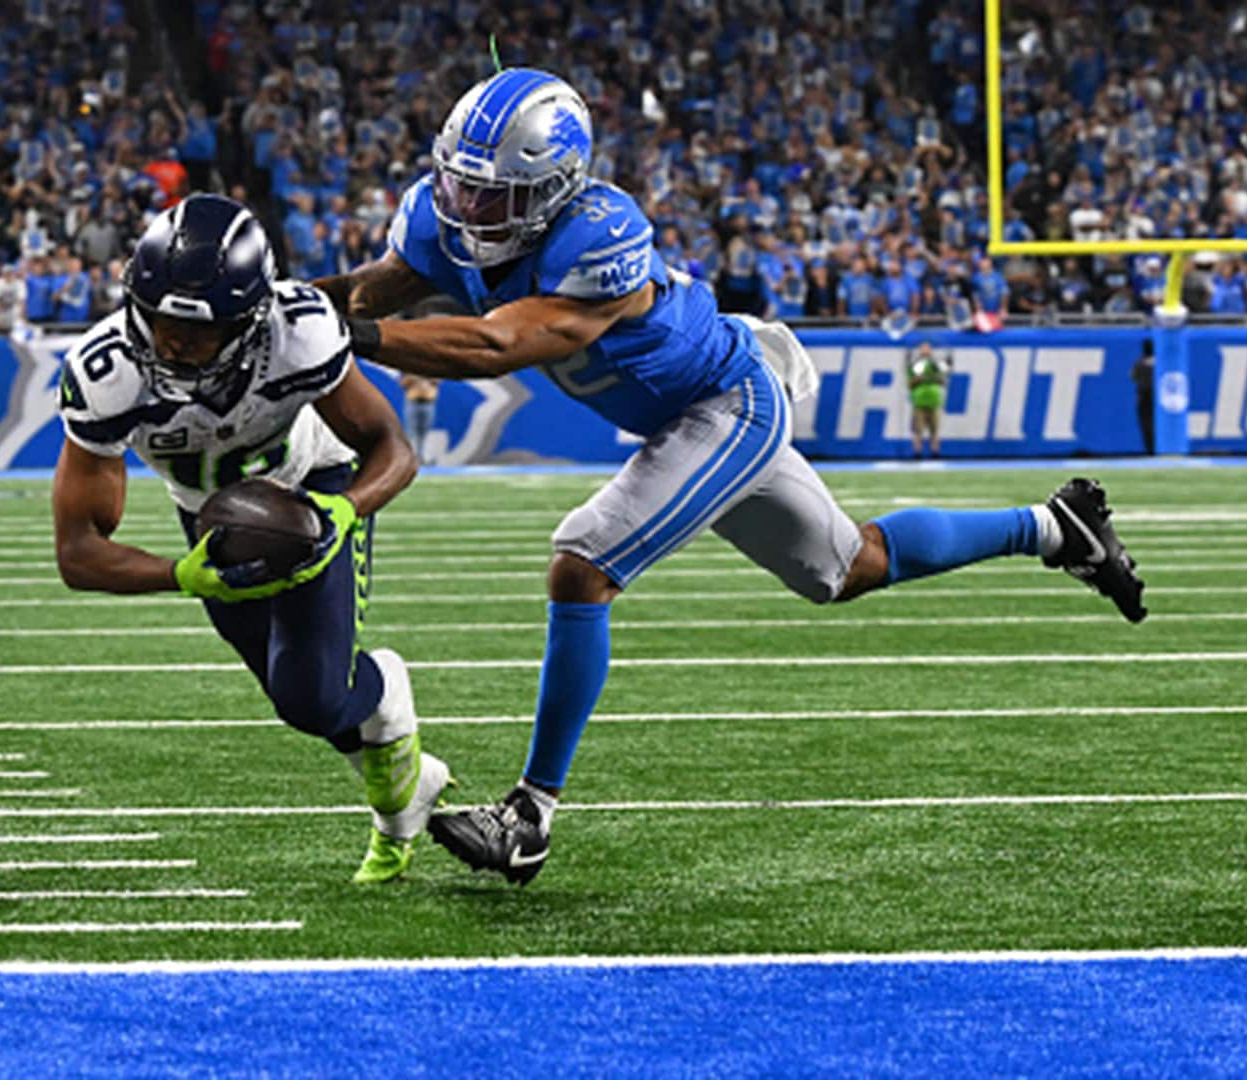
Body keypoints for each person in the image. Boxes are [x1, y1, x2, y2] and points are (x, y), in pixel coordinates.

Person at [315, 68, 1148, 885]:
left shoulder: (597, 234)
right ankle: (1053, 528)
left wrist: (360, 340)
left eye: (488, 196)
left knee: (583, 561)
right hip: (691, 410)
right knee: (847, 567)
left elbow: (498, 345)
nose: (464, 209)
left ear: (553, 189)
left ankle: (530, 815)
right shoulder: (439, 218)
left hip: (727, 405)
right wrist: (280, 304)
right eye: (458, 186)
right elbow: (359, 293)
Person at [52, 193, 446, 884]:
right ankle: (405, 791)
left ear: (250, 317)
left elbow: (393, 448)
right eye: (158, 318)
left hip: (314, 485)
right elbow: (77, 551)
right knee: (296, 695)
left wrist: (344, 512)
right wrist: (182, 574)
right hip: (214, 522)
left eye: (195, 330)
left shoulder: (299, 332)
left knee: (312, 695)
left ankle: (387, 701)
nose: (171, 341)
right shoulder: (106, 374)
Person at [906, 340, 950, 459]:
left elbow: (945, 381)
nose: (925, 350)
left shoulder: (937, 364)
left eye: (927, 348)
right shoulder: (916, 365)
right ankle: (917, 452)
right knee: (918, 430)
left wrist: (938, 378)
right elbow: (909, 384)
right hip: (919, 401)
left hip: (934, 401)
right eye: (923, 348)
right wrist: (918, 379)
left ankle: (935, 452)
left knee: (934, 430)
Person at [399, 373, 439, 463]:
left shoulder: (431, 368)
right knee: (410, 432)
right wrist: (416, 376)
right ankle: (409, 458)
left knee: (424, 433)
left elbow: (437, 381)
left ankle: (422, 458)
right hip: (412, 402)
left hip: (428, 403)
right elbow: (402, 383)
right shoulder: (408, 369)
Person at [1131, 340, 1155, 455]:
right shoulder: (1161, 363)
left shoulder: (1139, 363)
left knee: (1146, 424)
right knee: (1154, 423)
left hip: (1143, 396)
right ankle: (1157, 448)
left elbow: (1133, 377)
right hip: (1154, 397)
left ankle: (1150, 449)